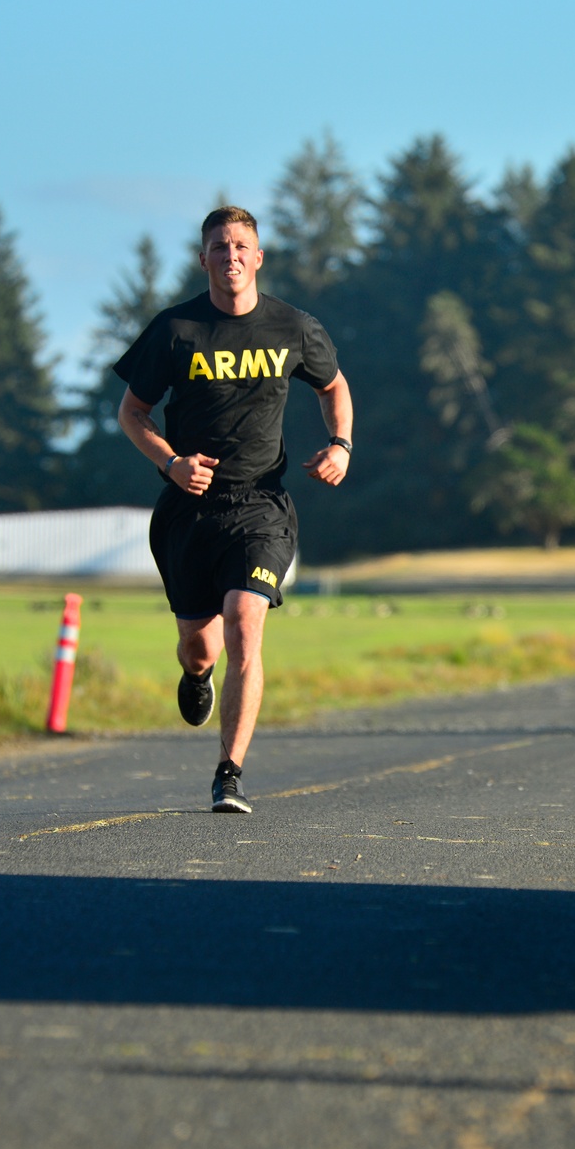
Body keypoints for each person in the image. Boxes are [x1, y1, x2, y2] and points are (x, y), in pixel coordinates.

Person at [114, 206, 353, 813]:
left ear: (259, 256)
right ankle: (197, 676)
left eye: (241, 245)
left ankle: (230, 773)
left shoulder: (293, 326)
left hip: (261, 504)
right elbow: (132, 413)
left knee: (245, 621)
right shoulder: (175, 330)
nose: (231, 256)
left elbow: (333, 385)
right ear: (204, 259)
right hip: (189, 509)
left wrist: (341, 445)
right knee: (201, 646)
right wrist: (171, 462)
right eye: (219, 247)